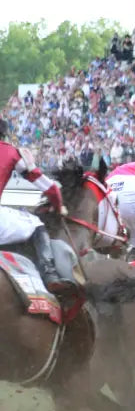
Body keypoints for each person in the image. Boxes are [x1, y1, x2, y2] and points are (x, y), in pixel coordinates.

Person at [0, 118, 77, 294]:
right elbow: (50, 188)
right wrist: (59, 206)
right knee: (36, 223)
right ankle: (50, 275)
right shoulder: (12, 152)